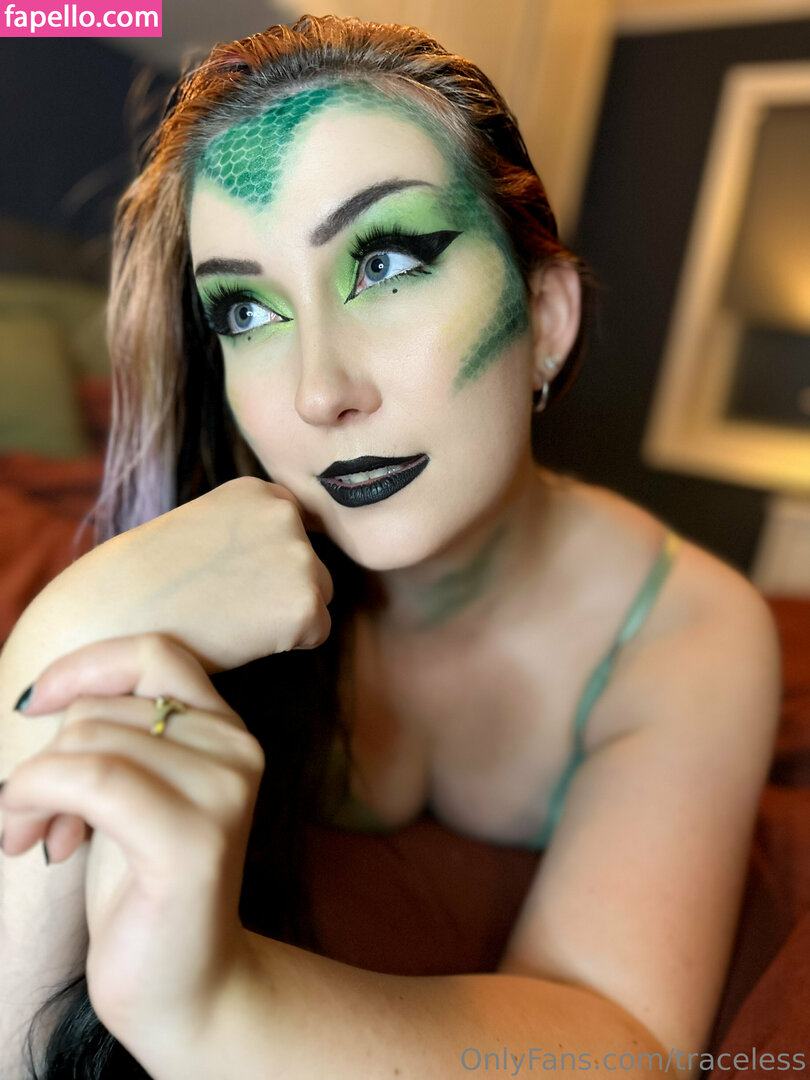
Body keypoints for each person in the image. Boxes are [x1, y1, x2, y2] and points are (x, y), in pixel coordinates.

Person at [0, 14, 782, 1080]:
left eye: (386, 261)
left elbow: (626, 1041)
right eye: (246, 311)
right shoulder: (170, 583)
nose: (319, 391)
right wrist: (73, 620)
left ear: (546, 318)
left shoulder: (686, 628)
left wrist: (220, 1005)